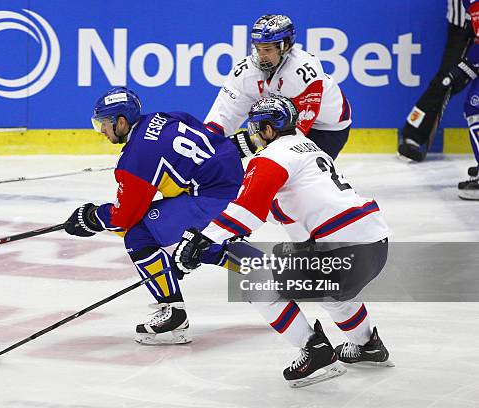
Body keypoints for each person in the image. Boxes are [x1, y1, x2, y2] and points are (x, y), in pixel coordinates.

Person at [173, 96, 393, 388]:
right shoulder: (311, 149)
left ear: (268, 129)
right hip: (376, 243)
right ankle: (368, 347)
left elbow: (247, 212)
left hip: (345, 250)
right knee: (333, 290)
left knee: (257, 283)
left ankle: (315, 352)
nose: (253, 134)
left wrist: (202, 240)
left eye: (256, 127)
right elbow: (288, 215)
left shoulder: (271, 157)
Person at [64, 87, 244, 345]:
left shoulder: (136, 159)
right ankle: (273, 273)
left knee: (139, 236)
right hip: (230, 176)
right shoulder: (163, 117)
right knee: (188, 244)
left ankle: (173, 312)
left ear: (121, 122)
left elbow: (124, 217)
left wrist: (92, 217)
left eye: (103, 124)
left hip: (213, 196)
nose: (101, 130)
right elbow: (207, 134)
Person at [205, 14, 352, 161]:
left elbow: (293, 135)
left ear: (286, 46)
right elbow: (224, 115)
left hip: (326, 128)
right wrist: (207, 143)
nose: (261, 56)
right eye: (258, 48)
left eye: (267, 49)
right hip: (283, 125)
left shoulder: (304, 72)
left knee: (292, 173)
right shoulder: (245, 72)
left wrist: (250, 142)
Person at [400, 0, 479, 200]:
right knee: (447, 80)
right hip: (462, 23)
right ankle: (413, 131)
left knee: (459, 85)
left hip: (472, 19)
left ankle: (413, 131)